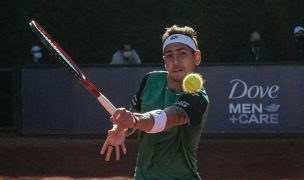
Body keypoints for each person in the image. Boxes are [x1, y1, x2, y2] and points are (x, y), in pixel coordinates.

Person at [100, 25, 209, 179]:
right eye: (169, 55)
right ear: (164, 60)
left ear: (196, 57)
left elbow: (168, 118)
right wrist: (123, 128)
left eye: (182, 54)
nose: (176, 61)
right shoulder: (150, 80)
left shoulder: (197, 96)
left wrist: (134, 120)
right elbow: (134, 116)